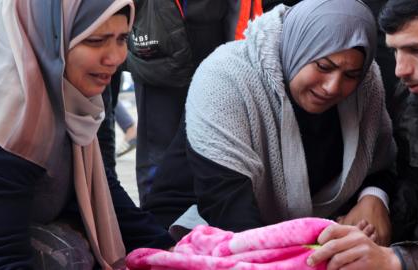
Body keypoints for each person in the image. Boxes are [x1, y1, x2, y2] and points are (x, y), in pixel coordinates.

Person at [145, 0, 396, 244]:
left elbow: (380, 162)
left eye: (350, 75)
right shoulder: (226, 79)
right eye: (322, 66)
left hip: (303, 233)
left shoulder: (366, 84)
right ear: (299, 47)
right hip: (202, 225)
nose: (333, 86)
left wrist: (373, 198)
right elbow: (229, 211)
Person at [0, 0, 174, 269]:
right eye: (95, 40)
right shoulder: (7, 114)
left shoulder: (57, 84)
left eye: (121, 39)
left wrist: (167, 248)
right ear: (51, 35)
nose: (116, 57)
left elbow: (97, 182)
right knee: (69, 254)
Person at [306, 0, 418, 269]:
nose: (400, 70)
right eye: (396, 51)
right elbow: (412, 186)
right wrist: (368, 222)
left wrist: (397, 260)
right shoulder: (413, 96)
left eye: (417, 50)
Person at [128, 0, 262, 204]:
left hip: (215, 32)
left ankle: (201, 223)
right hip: (160, 32)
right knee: (159, 153)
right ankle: (158, 223)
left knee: (216, 146)